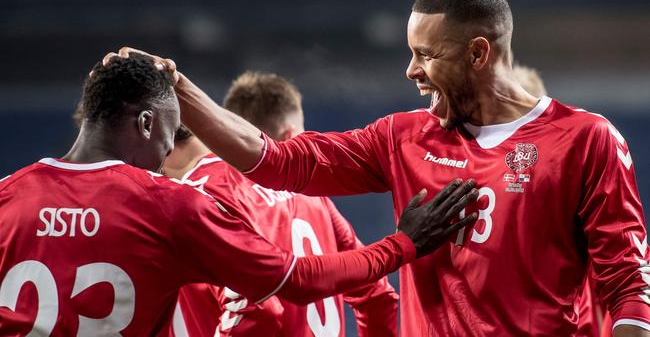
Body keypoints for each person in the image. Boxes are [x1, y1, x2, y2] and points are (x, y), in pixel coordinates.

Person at [113, 0, 650, 336]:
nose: (411, 71)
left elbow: (626, 283)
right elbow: (279, 161)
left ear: (479, 53)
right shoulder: (402, 138)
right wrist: (177, 87)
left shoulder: (586, 140)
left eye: (425, 55)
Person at [0, 53, 479, 335]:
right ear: (146, 122)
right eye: (170, 138)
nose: (167, 155)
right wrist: (404, 243)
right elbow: (302, 283)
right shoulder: (169, 204)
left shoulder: (8, 197)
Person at [165, 71, 398, 336]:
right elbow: (377, 292)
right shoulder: (312, 195)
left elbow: (255, 307)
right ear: (290, 135)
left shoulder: (201, 194)